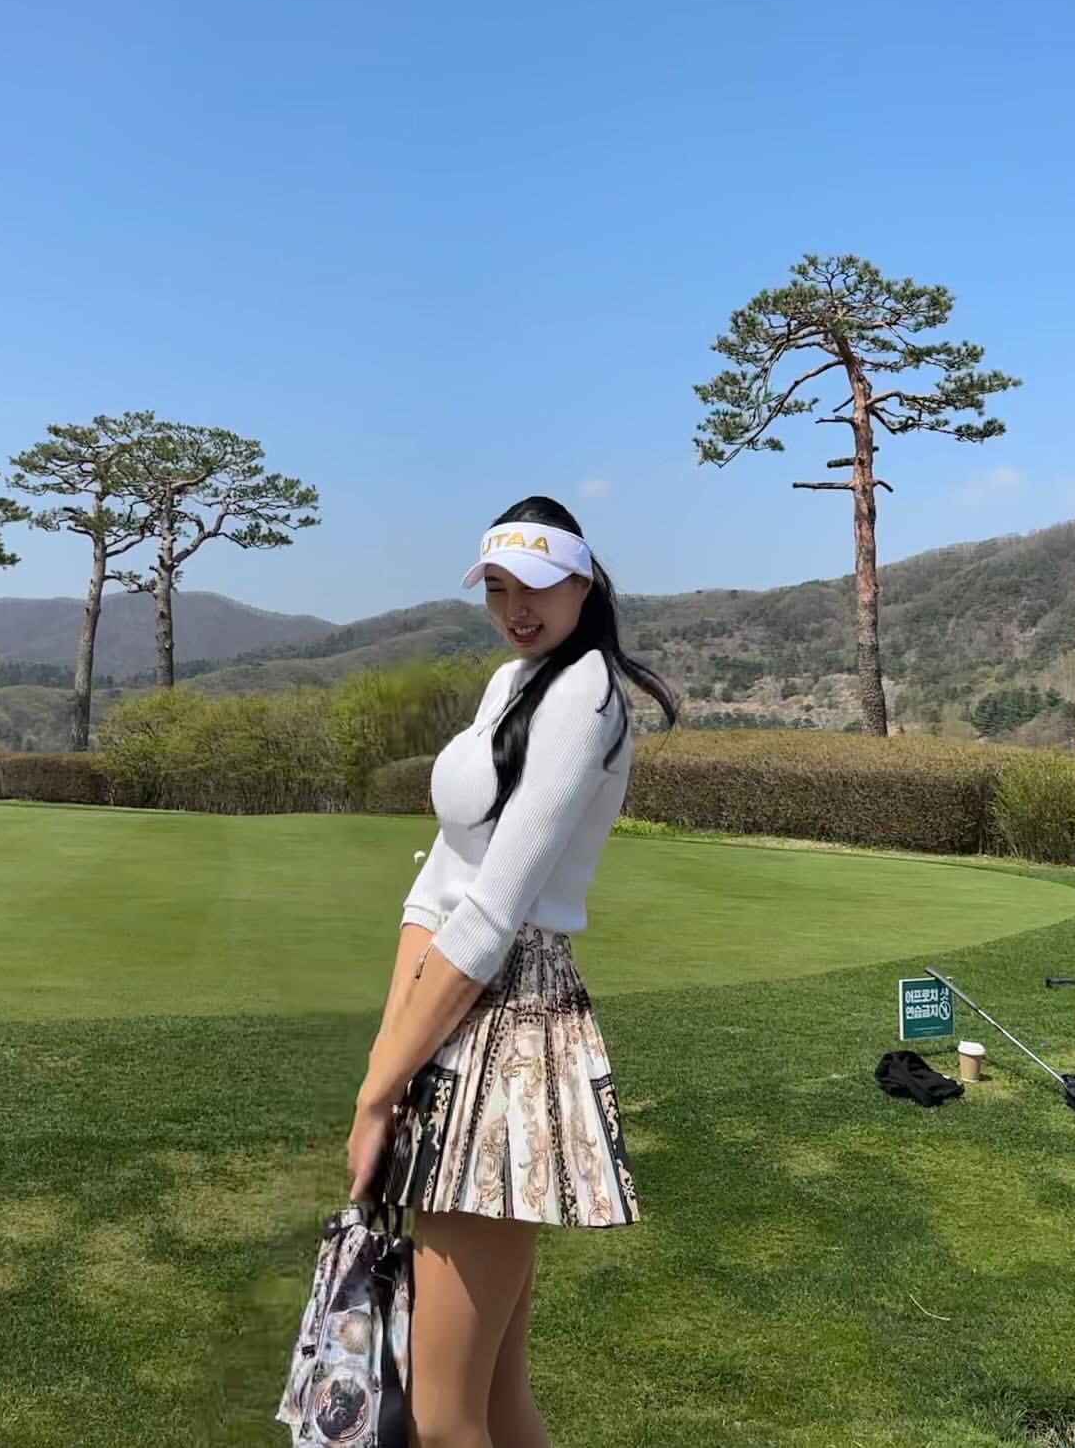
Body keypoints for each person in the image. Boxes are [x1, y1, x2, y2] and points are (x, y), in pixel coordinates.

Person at [345, 496, 676, 1448]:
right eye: (496, 589)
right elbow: (438, 886)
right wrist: (386, 1064)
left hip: (514, 1029)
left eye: (534, 586)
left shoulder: (588, 694)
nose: (515, 609)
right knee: (490, 1401)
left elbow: (493, 915)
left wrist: (378, 1092)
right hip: (450, 1015)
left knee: (444, 1416)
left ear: (583, 581)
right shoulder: (510, 682)